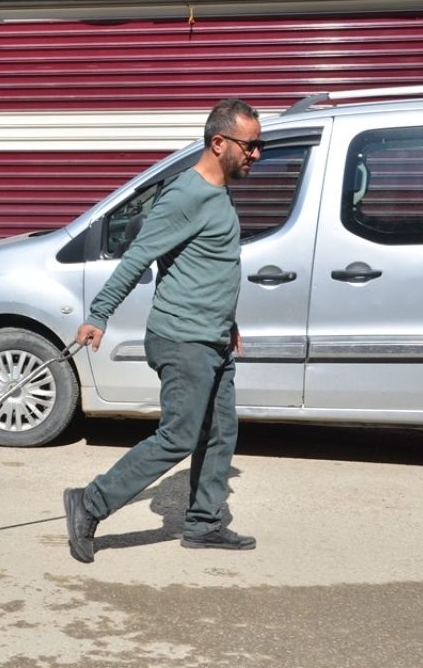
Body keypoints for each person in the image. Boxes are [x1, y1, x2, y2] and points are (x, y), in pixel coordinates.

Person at [63, 98, 261, 563]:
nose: (256, 155)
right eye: (251, 146)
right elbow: (137, 257)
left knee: (219, 433)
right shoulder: (185, 196)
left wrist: (227, 324)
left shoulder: (217, 193)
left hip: (212, 338)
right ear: (219, 143)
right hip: (182, 340)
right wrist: (100, 314)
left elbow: (206, 268)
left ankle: (204, 523)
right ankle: (89, 503)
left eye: (258, 145)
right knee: (179, 435)